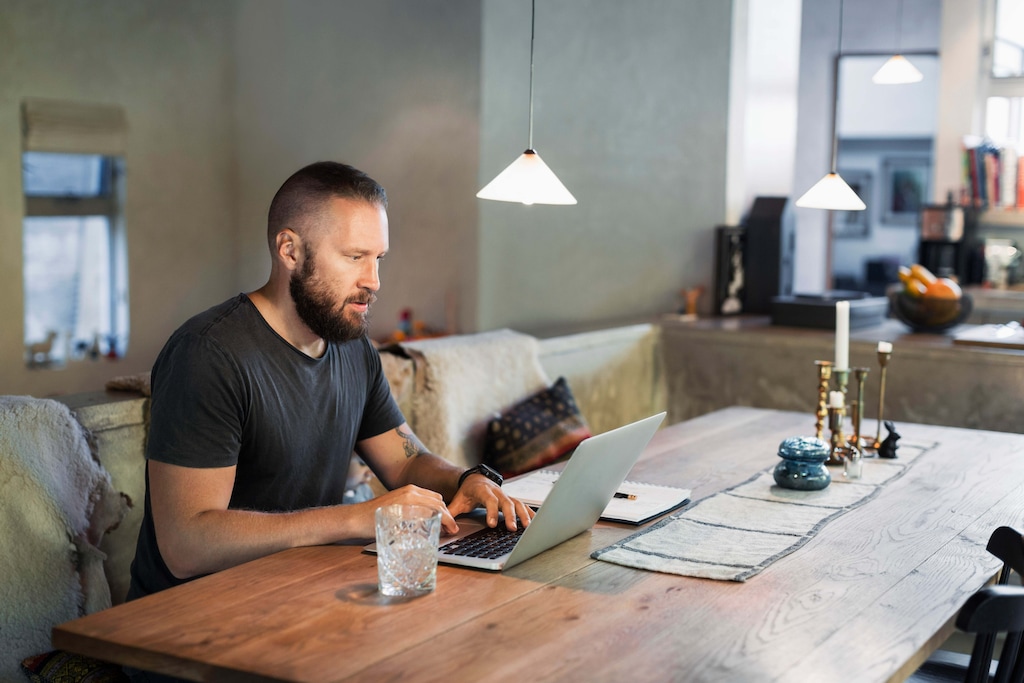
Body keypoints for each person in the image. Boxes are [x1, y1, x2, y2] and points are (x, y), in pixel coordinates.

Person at [127, 161, 534, 607]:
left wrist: (468, 480)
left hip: (298, 595)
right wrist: (355, 519)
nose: (373, 282)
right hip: (192, 622)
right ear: (289, 250)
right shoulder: (208, 354)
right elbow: (186, 546)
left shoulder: (352, 348)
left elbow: (405, 463)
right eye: (354, 257)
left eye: (378, 259)